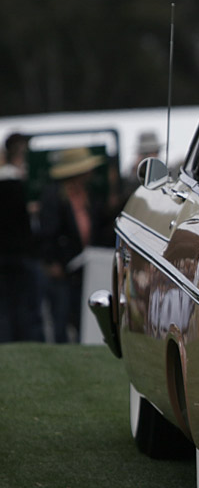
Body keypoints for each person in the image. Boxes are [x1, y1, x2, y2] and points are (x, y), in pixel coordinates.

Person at [38, 147, 106, 343]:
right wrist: (52, 262)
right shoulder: (55, 197)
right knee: (61, 315)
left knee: (81, 315)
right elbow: (48, 233)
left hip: (84, 266)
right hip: (63, 267)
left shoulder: (89, 196)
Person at [0, 132, 44, 342]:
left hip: (9, 253)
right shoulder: (15, 183)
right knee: (23, 305)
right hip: (19, 253)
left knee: (7, 307)